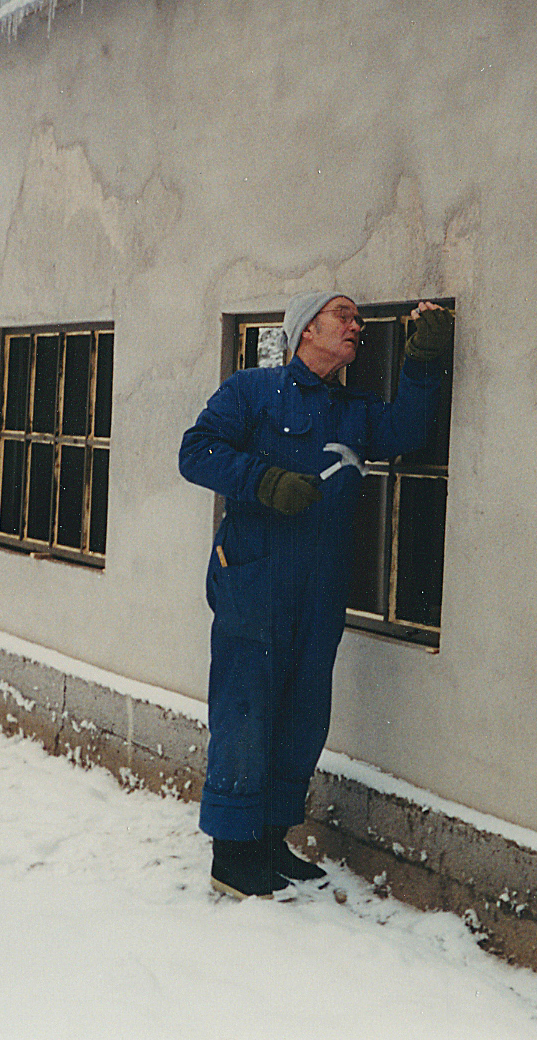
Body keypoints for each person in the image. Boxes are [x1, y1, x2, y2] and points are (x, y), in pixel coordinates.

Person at [178, 292, 452, 897]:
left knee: (303, 713)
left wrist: (424, 359)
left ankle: (271, 840)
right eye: (344, 317)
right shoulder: (250, 391)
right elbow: (195, 454)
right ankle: (232, 853)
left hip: (321, 586)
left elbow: (407, 428)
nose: (357, 326)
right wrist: (264, 481)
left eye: (357, 319)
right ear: (306, 330)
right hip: (254, 578)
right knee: (247, 709)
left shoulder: (354, 411)